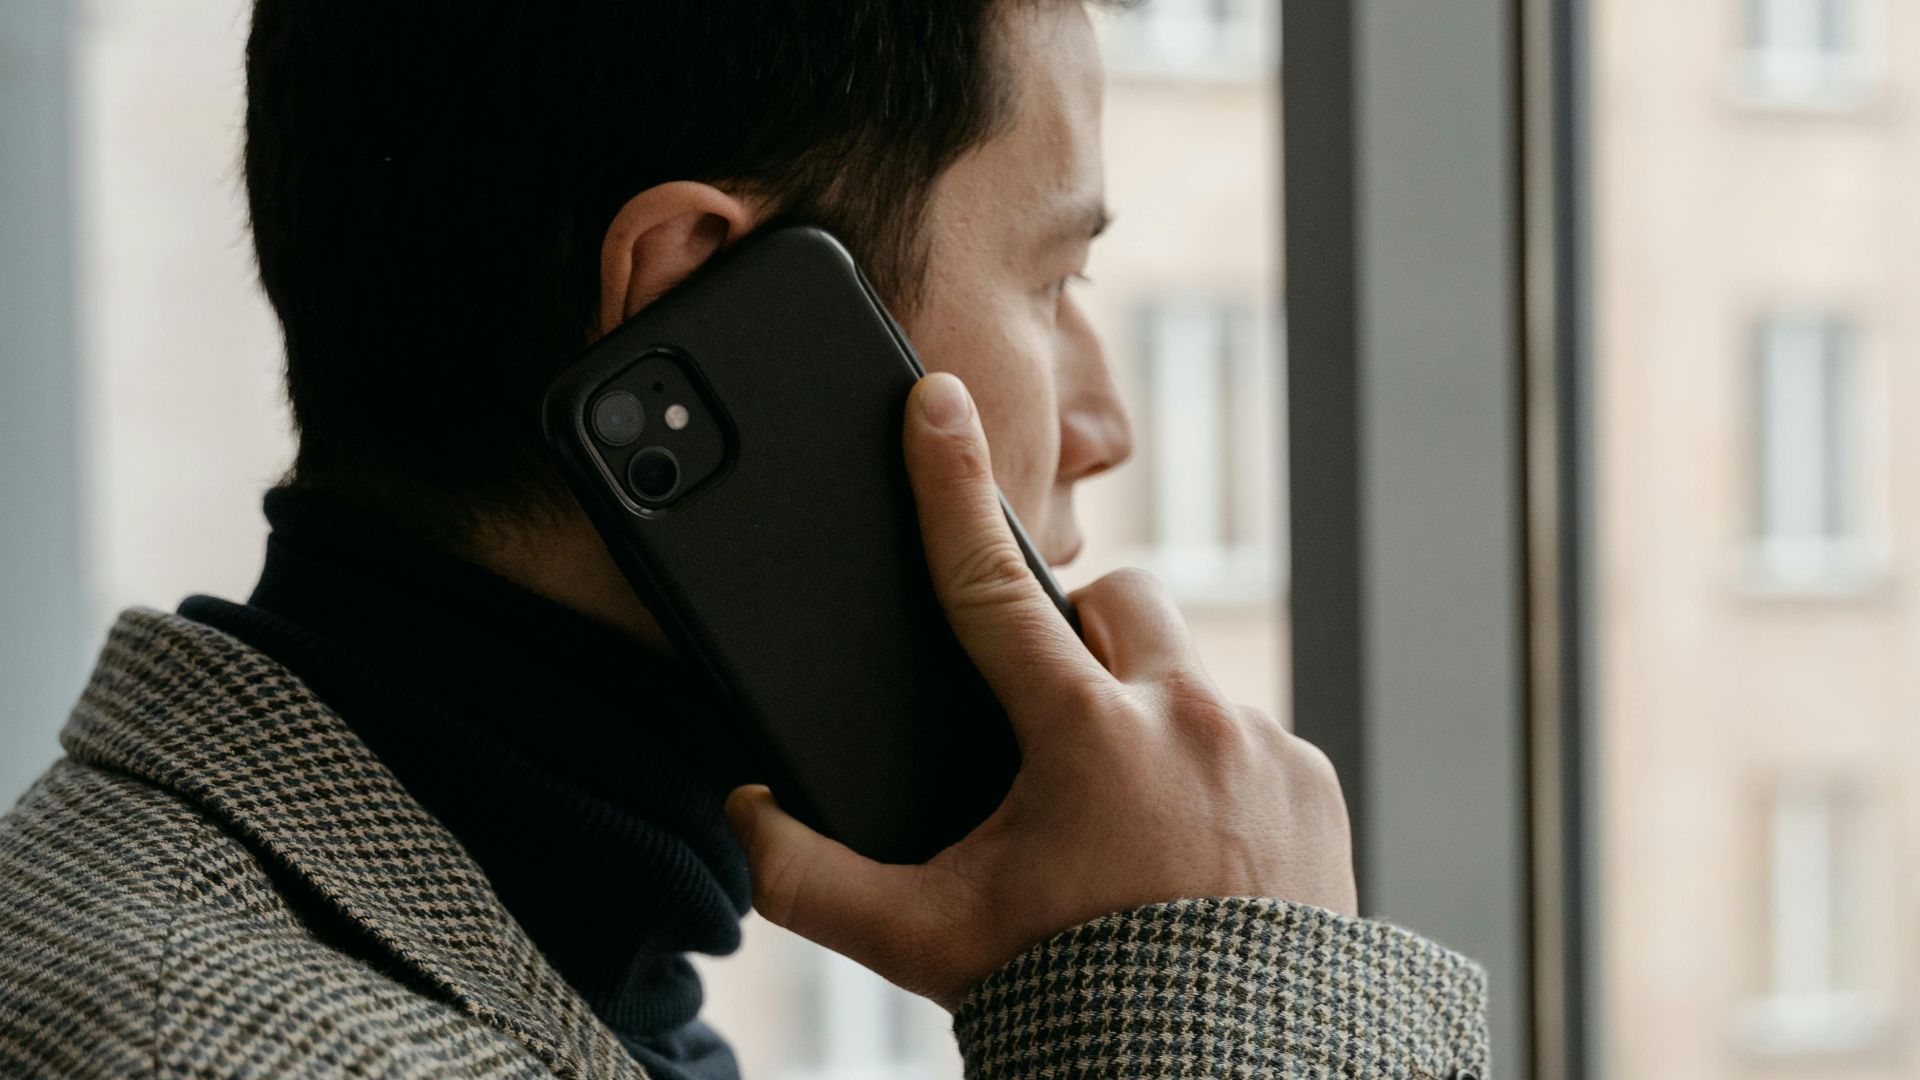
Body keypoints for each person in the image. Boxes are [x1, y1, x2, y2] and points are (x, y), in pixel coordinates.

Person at [0, 0, 1489, 1077]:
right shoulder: (201, 1037)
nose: (1104, 424)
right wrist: (1208, 996)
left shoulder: (491, 960)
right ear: (695, 319)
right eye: (1050, 286)